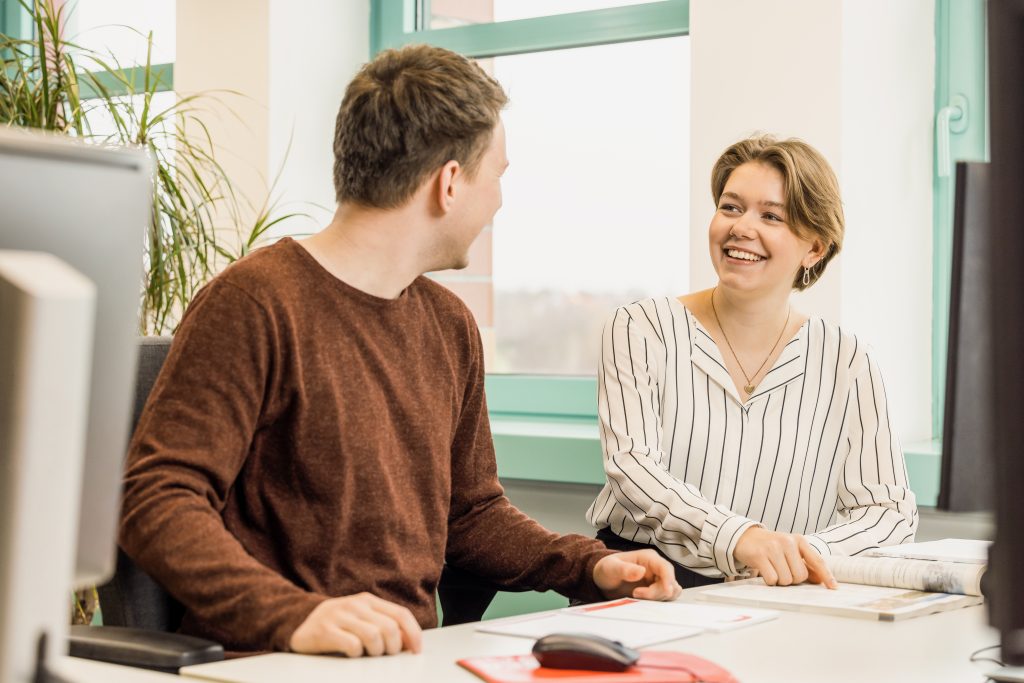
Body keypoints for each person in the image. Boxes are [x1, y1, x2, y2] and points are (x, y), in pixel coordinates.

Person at [118, 44, 681, 658]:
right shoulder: (253, 303)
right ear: (449, 182)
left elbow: (470, 514)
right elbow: (156, 499)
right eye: (497, 177)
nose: (498, 201)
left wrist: (591, 565)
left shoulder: (449, 324)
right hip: (277, 662)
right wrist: (295, 617)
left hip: (408, 659)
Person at [587, 135, 918, 589]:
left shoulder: (847, 360)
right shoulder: (641, 327)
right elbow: (633, 469)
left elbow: (889, 512)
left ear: (814, 248)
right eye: (730, 207)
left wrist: (803, 552)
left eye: (771, 216)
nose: (741, 227)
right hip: (645, 579)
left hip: (774, 589)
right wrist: (740, 536)